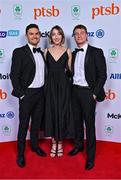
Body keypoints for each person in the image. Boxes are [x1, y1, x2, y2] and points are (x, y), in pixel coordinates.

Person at [68, 24, 107, 170]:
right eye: (76, 34)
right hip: (74, 92)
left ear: (86, 35)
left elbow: (102, 75)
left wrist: (95, 93)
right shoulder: (72, 53)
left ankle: (90, 157)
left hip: (88, 93)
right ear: (74, 36)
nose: (79, 36)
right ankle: (78, 146)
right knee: (77, 122)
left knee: (89, 126)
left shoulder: (96, 52)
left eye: (82, 33)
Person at [10, 24, 47, 168]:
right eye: (31, 34)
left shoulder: (42, 52)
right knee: (24, 125)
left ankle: (35, 146)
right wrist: (22, 95)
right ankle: (20, 154)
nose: (34, 36)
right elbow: (14, 75)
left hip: (40, 93)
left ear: (39, 35)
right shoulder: (19, 52)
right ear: (27, 36)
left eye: (37, 33)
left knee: (36, 124)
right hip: (27, 95)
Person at [44, 25, 74, 157]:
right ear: (51, 37)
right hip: (50, 86)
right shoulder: (45, 51)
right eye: (53, 34)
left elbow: (70, 72)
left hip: (63, 87)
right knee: (51, 112)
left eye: (59, 34)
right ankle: (53, 143)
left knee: (61, 111)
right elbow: (44, 71)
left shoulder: (68, 51)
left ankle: (60, 143)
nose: (56, 36)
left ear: (62, 36)